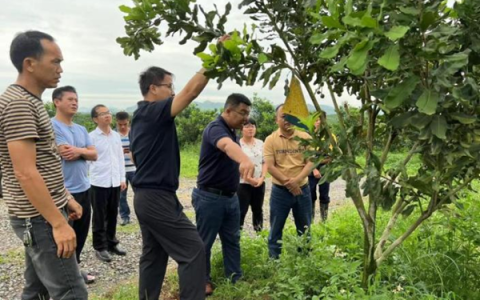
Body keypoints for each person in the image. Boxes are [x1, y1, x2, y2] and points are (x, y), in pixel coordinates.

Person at [1, 30, 87, 299]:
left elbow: (45, 162)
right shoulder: (19, 104)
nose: (60, 69)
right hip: (38, 218)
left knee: (36, 290)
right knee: (71, 292)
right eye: (55, 62)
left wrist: (66, 198)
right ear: (30, 63)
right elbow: (25, 172)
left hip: (41, 214)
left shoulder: (29, 102)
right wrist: (58, 224)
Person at [129, 63, 224, 300]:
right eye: (169, 86)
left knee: (154, 255)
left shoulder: (140, 117)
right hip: (155, 197)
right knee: (193, 249)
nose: (173, 92)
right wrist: (212, 62)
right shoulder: (153, 112)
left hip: (147, 196)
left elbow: (135, 154)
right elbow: (190, 93)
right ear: (153, 88)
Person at [192, 93, 255, 295]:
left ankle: (234, 278)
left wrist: (245, 174)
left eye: (248, 113)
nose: (246, 118)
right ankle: (201, 281)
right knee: (204, 242)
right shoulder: (216, 128)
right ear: (228, 110)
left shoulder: (230, 130)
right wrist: (245, 159)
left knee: (232, 239)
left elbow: (225, 160)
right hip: (210, 198)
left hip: (230, 197)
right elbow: (227, 146)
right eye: (242, 112)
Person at [51, 85, 98, 284]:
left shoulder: (80, 128)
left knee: (80, 233)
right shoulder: (52, 126)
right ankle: (63, 277)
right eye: (69, 99)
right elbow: (65, 153)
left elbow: (94, 154)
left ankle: (75, 269)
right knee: (63, 237)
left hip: (84, 188)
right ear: (57, 102)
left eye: (76, 99)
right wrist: (83, 151)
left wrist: (79, 151)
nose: (74, 102)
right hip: (64, 192)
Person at [264, 104, 314, 259]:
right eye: (284, 116)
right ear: (276, 120)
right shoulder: (270, 140)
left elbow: (311, 162)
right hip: (280, 192)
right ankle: (274, 262)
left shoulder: (306, 137)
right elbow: (270, 167)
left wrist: (297, 181)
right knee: (275, 229)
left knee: (305, 229)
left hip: (303, 190)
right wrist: (289, 183)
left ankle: (305, 261)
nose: (288, 120)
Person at [89, 104, 127, 262]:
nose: (107, 115)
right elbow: (87, 160)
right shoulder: (91, 137)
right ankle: (100, 247)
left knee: (112, 213)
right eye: (102, 113)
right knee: (99, 215)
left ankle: (111, 243)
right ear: (95, 119)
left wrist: (122, 178)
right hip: (98, 181)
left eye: (108, 112)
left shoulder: (116, 136)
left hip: (114, 181)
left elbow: (120, 159)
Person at [237, 118, 267, 232]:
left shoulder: (261, 143)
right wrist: (249, 179)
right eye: (247, 126)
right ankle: (237, 236)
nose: (250, 129)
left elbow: (265, 162)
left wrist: (262, 178)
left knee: (258, 209)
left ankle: (259, 235)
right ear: (241, 129)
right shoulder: (237, 144)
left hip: (259, 183)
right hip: (242, 183)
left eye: (253, 126)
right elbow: (236, 164)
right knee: (241, 210)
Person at [308, 114, 333, 222]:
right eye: (316, 120)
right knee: (310, 194)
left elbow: (331, 154)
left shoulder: (330, 136)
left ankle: (324, 221)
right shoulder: (308, 136)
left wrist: (321, 162)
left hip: (325, 168)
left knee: (324, 195)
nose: (318, 122)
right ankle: (311, 221)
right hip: (310, 168)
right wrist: (314, 168)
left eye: (320, 120)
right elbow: (306, 155)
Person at [115, 111, 135, 226]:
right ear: (116, 122)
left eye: (125, 124)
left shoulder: (134, 133)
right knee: (121, 196)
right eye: (120, 124)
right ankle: (125, 216)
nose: (122, 127)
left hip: (134, 169)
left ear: (128, 122)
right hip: (120, 171)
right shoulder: (113, 135)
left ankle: (143, 215)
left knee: (140, 193)